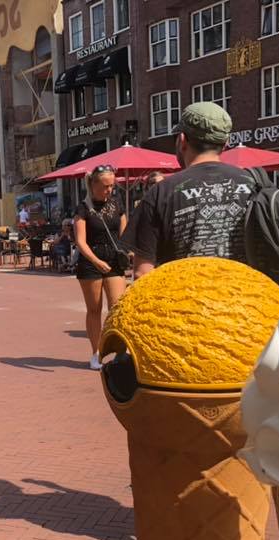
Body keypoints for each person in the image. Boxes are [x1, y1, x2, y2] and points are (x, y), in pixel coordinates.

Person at [124, 102, 255, 279]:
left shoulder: (161, 192)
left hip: (186, 302)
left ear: (183, 140)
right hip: (250, 301)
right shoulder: (255, 184)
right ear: (225, 144)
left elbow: (143, 273)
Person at [74, 165, 128, 370]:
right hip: (91, 261)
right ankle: (96, 353)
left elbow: (124, 234)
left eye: (112, 186)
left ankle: (120, 351)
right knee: (94, 309)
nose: (109, 190)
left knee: (117, 308)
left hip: (114, 260)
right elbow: (80, 241)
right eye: (105, 186)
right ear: (94, 184)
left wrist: (127, 251)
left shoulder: (117, 204)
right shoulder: (83, 208)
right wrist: (96, 261)